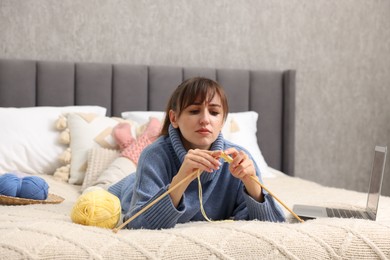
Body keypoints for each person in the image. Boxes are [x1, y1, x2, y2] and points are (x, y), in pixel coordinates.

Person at [108, 77, 285, 229]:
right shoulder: (154, 156)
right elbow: (136, 224)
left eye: (214, 112)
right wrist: (181, 179)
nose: (205, 120)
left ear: (222, 121)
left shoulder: (240, 158)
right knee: (102, 188)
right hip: (127, 189)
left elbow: (274, 224)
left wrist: (252, 184)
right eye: (194, 111)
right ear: (174, 118)